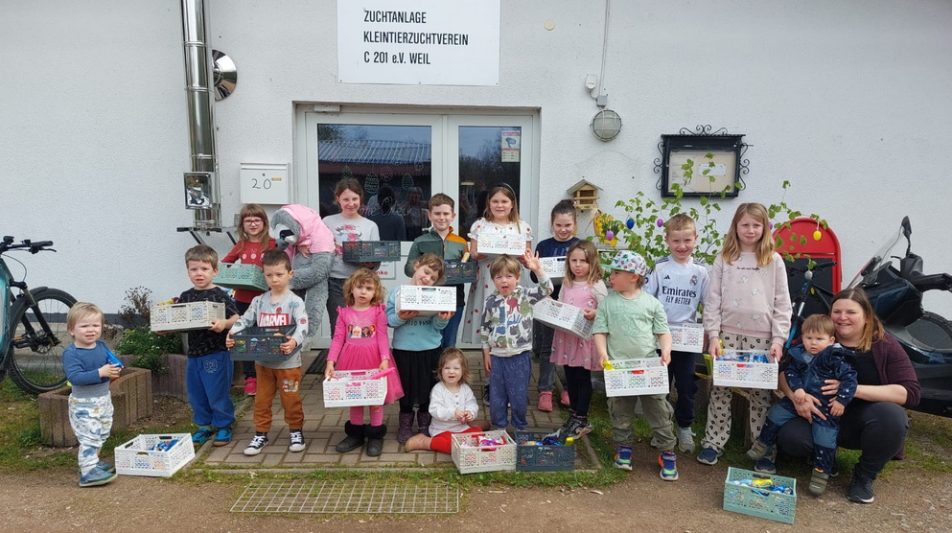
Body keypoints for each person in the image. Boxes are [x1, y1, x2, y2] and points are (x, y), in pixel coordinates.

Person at [775, 288, 920, 504]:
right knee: (790, 438)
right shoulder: (816, 337)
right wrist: (797, 397)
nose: (842, 317)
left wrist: (851, 389)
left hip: (862, 421)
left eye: (851, 312)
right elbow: (784, 373)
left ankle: (864, 477)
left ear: (866, 316)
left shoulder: (884, 345)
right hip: (819, 417)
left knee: (892, 417)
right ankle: (825, 458)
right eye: (837, 311)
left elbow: (910, 393)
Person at [696, 203, 792, 472]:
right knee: (720, 390)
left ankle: (763, 449)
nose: (750, 230)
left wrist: (778, 340)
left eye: (756, 225)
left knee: (761, 396)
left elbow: (783, 302)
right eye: (745, 225)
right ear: (735, 227)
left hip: (761, 339)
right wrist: (713, 335)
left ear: (765, 228)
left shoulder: (773, 260)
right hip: (727, 336)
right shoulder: (725, 258)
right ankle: (713, 442)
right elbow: (712, 299)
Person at [747, 314, 857, 496]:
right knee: (775, 413)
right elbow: (790, 372)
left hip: (825, 407)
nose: (813, 343)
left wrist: (841, 400)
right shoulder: (800, 354)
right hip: (798, 400)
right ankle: (763, 443)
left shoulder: (836, 357)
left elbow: (850, 380)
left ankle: (821, 474)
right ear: (803, 337)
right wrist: (797, 389)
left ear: (831, 340)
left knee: (825, 440)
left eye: (819, 339)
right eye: (809, 338)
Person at [593, 251, 678, 481]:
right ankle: (624, 449)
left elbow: (663, 332)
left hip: (649, 368)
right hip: (619, 369)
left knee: (659, 411)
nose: (611, 277)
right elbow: (600, 331)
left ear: (634, 276)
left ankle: (667, 452)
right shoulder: (607, 303)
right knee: (620, 410)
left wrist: (666, 350)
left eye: (617, 273)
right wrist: (602, 353)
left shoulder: (651, 304)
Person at [226, 250, 309, 456]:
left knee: (291, 398)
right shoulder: (258, 301)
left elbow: (302, 325)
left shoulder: (295, 302)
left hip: (288, 365)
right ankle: (261, 433)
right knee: (262, 400)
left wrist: (295, 341)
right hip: (263, 364)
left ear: (290, 274)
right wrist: (232, 333)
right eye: (269, 275)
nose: (274, 279)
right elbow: (244, 321)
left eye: (279, 274)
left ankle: (296, 431)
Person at [645, 213, 709, 453]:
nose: (682, 246)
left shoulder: (701, 271)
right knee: (660, 386)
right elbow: (647, 300)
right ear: (667, 240)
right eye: (676, 241)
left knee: (686, 387)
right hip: (661, 339)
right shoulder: (660, 267)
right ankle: (662, 429)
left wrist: (708, 332)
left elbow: (708, 303)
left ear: (696, 239)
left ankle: (684, 427)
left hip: (687, 341)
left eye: (687, 241)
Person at [325, 268, 404, 457]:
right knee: (356, 398)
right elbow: (337, 339)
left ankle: (375, 435)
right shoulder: (343, 313)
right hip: (350, 361)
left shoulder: (378, 312)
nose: (363, 292)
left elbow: (382, 338)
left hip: (375, 360)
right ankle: (356, 434)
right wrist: (330, 362)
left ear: (375, 292)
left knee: (375, 399)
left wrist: (385, 359)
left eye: (368, 288)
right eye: (359, 287)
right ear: (351, 289)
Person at [480, 251, 553, 430]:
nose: (504, 281)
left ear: (518, 278)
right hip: (497, 357)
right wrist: (486, 353)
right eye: (499, 277)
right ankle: (499, 429)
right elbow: (485, 328)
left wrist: (538, 269)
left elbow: (547, 289)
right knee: (497, 397)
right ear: (493, 280)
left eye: (509, 276)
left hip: (520, 357)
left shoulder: (525, 296)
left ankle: (520, 427)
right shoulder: (490, 301)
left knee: (519, 396)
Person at [387, 253, 454, 443]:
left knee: (429, 387)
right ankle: (406, 422)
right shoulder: (397, 292)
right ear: (416, 266)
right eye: (426, 272)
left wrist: (442, 319)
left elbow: (437, 326)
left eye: (433, 278)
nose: (427, 278)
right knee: (406, 388)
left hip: (430, 348)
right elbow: (389, 321)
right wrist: (402, 317)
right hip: (404, 349)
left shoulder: (436, 296)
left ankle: (425, 421)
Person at [178, 244, 240, 447]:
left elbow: (236, 317)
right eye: (194, 269)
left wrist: (224, 324)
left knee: (217, 392)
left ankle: (223, 425)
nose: (199, 273)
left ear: (214, 271)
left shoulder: (219, 294)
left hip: (216, 352)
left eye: (204, 269)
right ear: (188, 271)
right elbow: (180, 319)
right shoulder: (185, 296)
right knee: (196, 393)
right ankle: (203, 426)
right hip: (194, 354)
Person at [460, 184, 533, 345]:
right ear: (489, 203)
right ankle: (489, 358)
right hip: (488, 279)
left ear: (512, 204)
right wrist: (483, 252)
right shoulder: (480, 225)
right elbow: (474, 253)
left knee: (512, 315)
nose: (500, 205)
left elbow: (528, 259)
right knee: (490, 317)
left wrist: (523, 258)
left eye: (504, 201)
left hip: (513, 278)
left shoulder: (522, 227)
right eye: (495, 201)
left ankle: (513, 352)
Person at [550, 240, 606, 439]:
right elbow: (561, 303)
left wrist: (596, 313)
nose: (578, 265)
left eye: (583, 261)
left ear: (592, 262)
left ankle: (582, 417)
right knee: (570, 377)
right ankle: (574, 414)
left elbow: (607, 309)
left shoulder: (596, 285)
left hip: (585, 339)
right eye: (573, 260)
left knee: (582, 378)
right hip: (567, 338)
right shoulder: (567, 282)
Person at [62, 302, 121, 487]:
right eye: (84, 326)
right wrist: (100, 373)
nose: (91, 330)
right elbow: (75, 377)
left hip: (103, 399)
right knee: (89, 436)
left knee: (102, 433)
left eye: (95, 325)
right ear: (72, 330)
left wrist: (115, 368)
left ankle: (93, 463)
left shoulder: (102, 346)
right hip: (83, 404)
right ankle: (87, 472)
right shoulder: (71, 353)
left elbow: (111, 362)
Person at [222, 203, 277, 397]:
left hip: (266, 298)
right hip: (243, 298)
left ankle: (267, 374)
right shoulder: (241, 245)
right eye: (248, 220)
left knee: (265, 335)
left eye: (256, 220)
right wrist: (238, 275)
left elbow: (281, 265)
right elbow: (225, 264)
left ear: (264, 222)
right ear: (242, 225)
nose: (253, 224)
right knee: (245, 337)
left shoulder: (272, 244)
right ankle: (250, 378)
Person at [532, 199, 580, 412]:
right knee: (547, 348)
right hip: (548, 303)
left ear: (575, 225)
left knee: (571, 348)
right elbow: (535, 280)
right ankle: (545, 390)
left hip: (573, 304)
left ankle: (569, 389)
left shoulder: (580, 246)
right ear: (552, 224)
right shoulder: (543, 246)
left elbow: (588, 275)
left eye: (567, 225)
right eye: (559, 225)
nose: (563, 229)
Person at [404, 193, 469, 349]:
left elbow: (468, 271)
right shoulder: (420, 241)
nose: (442, 218)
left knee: (449, 343)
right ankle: (431, 373)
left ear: (453, 216)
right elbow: (408, 269)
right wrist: (420, 268)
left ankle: (447, 373)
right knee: (430, 342)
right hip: (427, 299)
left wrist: (467, 270)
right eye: (437, 213)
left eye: (446, 214)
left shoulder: (461, 243)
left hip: (454, 300)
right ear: (429, 215)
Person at [324, 178, 382, 340]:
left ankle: (359, 359)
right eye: (346, 199)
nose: (351, 203)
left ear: (361, 199)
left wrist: (369, 262)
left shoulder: (370, 225)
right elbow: (318, 249)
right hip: (335, 281)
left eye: (355, 199)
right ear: (338, 199)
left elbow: (376, 261)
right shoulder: (327, 222)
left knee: (362, 325)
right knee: (338, 325)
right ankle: (338, 361)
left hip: (360, 283)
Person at [405, 348, 489, 453]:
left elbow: (472, 404)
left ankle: (475, 424)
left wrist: (470, 412)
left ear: (463, 371)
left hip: (461, 428)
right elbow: (435, 410)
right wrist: (453, 413)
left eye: (456, 368)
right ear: (440, 370)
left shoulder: (465, 388)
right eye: (447, 368)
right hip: (442, 430)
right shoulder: (438, 389)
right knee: (452, 446)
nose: (451, 371)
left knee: (479, 437)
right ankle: (424, 442)